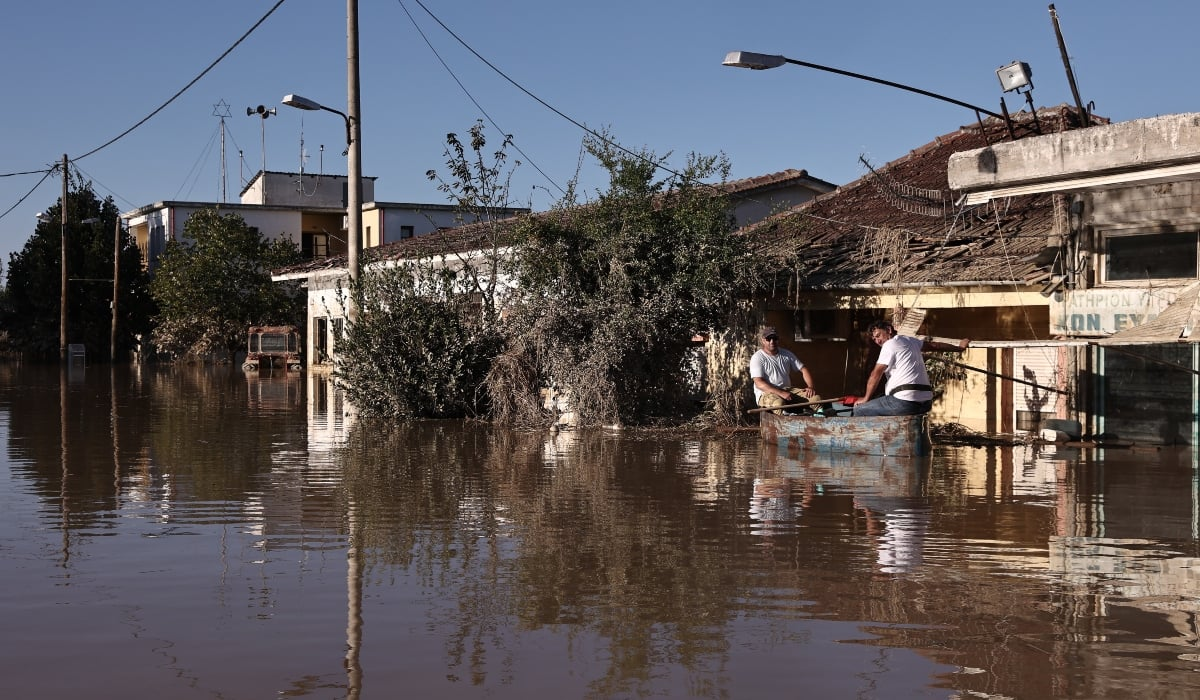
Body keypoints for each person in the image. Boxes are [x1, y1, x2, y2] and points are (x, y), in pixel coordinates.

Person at [852, 319, 969, 417]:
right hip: (926, 403)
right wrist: (959, 348)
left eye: (878, 335)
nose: (877, 341)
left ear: (888, 330)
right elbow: (935, 346)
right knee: (881, 398)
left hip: (905, 402)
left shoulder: (889, 344)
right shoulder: (910, 340)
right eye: (874, 339)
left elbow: (875, 374)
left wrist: (865, 399)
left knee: (859, 410)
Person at [749, 326, 821, 413]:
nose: (772, 341)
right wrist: (780, 393)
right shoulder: (757, 357)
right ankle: (784, 420)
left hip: (787, 390)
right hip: (766, 393)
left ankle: (819, 416)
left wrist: (810, 387)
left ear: (778, 339)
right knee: (779, 403)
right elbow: (759, 383)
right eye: (768, 339)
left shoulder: (786, 354)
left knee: (815, 398)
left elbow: (803, 369)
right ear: (763, 340)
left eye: (774, 338)